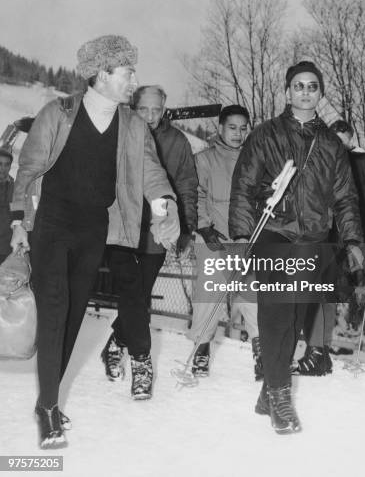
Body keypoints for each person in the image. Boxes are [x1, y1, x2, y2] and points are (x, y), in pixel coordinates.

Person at [9, 35, 180, 449]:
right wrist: (19, 221)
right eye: (127, 71)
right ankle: (49, 406)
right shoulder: (59, 112)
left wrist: (164, 207)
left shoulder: (134, 126)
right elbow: (28, 167)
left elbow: (152, 173)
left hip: (93, 232)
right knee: (54, 309)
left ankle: (47, 397)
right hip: (50, 225)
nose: (133, 80)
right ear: (102, 74)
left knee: (71, 318)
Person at [229, 60, 363, 434]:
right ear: (288, 92)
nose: (305, 92)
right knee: (276, 315)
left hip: (314, 240)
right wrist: (241, 237)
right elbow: (243, 187)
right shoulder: (265, 135)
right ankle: (280, 396)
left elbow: (345, 198)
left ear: (320, 94)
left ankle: (268, 392)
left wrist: (351, 239)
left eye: (313, 86)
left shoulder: (332, 145)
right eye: (299, 86)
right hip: (274, 234)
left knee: (297, 318)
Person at [101, 84, 198, 399]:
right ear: (133, 106)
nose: (151, 116)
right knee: (132, 291)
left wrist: (186, 227)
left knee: (139, 295)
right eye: (144, 109)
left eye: (157, 109)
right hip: (122, 227)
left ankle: (116, 340)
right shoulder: (117, 133)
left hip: (158, 231)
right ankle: (142, 362)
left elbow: (186, 185)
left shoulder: (178, 142)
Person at [293, 119, 365, 375]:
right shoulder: (325, 165)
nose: (338, 150)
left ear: (351, 141)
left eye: (343, 144)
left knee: (338, 299)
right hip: (327, 242)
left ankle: (323, 353)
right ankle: (318, 354)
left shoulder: (364, 164)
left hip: (355, 246)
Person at [189, 105, 263, 380]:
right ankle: (201, 349)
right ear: (220, 128)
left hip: (243, 239)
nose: (238, 133)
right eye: (232, 127)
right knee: (208, 297)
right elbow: (194, 195)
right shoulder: (205, 160)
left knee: (251, 297)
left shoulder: (254, 160)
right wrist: (204, 226)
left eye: (243, 128)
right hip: (214, 237)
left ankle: (261, 352)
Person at [0, 147, 14, 264]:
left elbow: (17, 213)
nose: (3, 168)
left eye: (7, 164)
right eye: (0, 164)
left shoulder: (16, 187)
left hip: (6, 244)